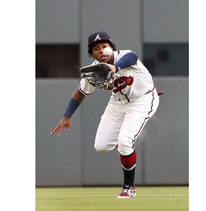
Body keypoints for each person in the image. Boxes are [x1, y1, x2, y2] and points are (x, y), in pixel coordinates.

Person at [50, 31, 162, 198]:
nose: (101, 50)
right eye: (96, 48)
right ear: (92, 54)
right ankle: (125, 143)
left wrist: (114, 67)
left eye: (104, 46)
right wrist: (66, 116)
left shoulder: (124, 56)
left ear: (111, 47)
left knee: (125, 143)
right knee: (101, 147)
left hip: (143, 99)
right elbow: (80, 92)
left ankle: (128, 187)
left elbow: (132, 56)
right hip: (117, 103)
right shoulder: (94, 71)